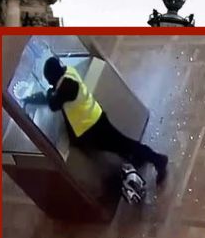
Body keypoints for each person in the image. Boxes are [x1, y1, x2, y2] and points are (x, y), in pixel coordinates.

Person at [22, 56, 168, 185]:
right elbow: (57, 95)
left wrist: (47, 92)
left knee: (124, 144)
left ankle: (158, 159)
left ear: (52, 77)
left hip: (93, 127)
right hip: (95, 118)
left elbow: (53, 104)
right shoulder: (69, 72)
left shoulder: (66, 87)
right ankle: (140, 156)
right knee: (121, 145)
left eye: (49, 79)